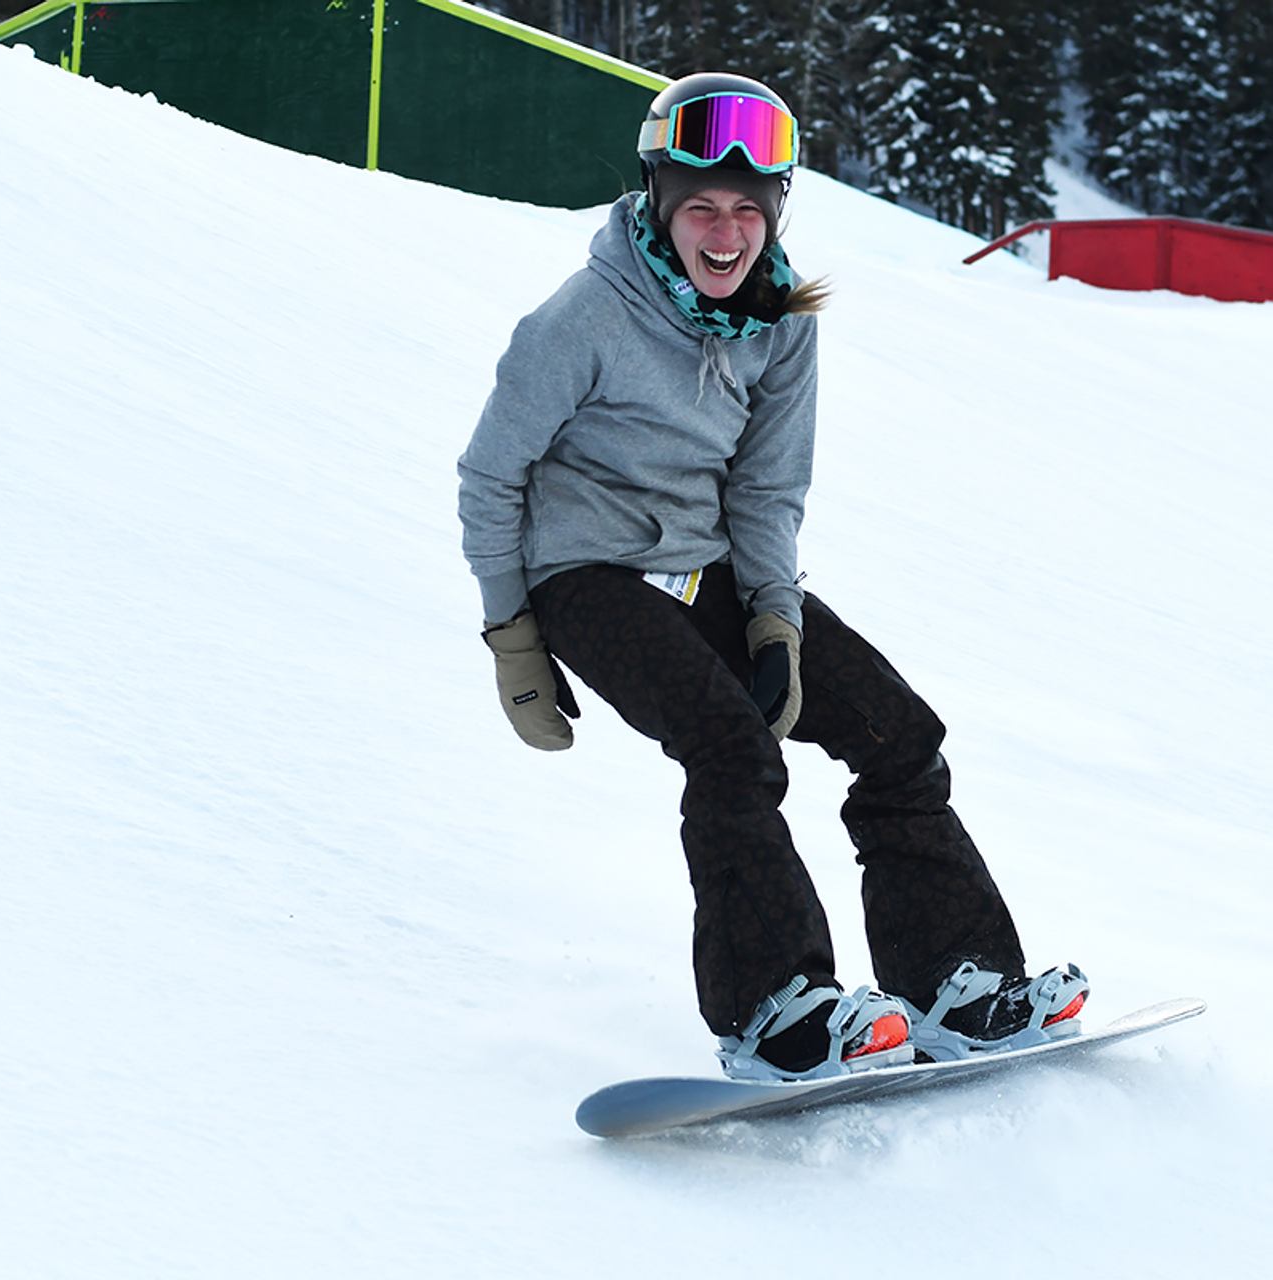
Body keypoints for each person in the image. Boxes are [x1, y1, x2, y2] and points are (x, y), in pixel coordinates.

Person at [457, 72, 1087, 1082]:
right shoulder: (578, 321)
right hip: (584, 571)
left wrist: (776, 624)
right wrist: (513, 639)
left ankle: (954, 978)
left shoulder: (784, 319)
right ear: (662, 206)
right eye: (701, 206)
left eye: (749, 209)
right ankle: (773, 1009)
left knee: (899, 733)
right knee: (731, 746)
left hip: (710, 566)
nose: (725, 231)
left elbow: (765, 489)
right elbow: (490, 475)